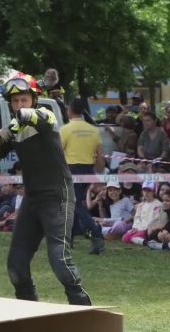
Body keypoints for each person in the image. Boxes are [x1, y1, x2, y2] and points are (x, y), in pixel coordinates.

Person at [0, 73, 92, 305]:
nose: (19, 105)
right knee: (15, 267)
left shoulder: (46, 115)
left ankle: (86, 315)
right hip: (33, 199)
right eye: (15, 101)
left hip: (57, 195)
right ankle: (30, 317)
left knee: (59, 259)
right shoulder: (15, 127)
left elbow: (34, 117)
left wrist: (13, 123)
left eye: (24, 99)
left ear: (34, 100)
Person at [60, 97, 106, 255]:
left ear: (70, 110)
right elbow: (100, 157)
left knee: (75, 206)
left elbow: (58, 153)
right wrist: (99, 172)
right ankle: (69, 237)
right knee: (73, 205)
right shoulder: (93, 130)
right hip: (88, 170)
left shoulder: (65, 129)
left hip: (71, 170)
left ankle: (96, 235)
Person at [122, 180, 163, 245]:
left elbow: (155, 219)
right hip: (139, 228)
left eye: (149, 191)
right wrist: (135, 227)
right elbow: (137, 218)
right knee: (125, 238)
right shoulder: (141, 205)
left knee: (134, 238)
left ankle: (147, 242)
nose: (146, 193)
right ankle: (142, 239)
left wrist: (144, 229)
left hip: (148, 229)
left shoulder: (158, 204)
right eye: (144, 191)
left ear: (154, 192)